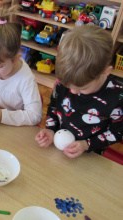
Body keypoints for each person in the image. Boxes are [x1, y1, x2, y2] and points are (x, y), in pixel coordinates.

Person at [35, 25, 123, 158]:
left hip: (91, 154)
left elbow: (117, 133)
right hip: (58, 149)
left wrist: (86, 144)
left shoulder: (116, 98)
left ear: (105, 73)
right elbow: (54, 106)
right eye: (67, 85)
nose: (73, 92)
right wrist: (51, 129)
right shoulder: (64, 82)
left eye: (82, 88)